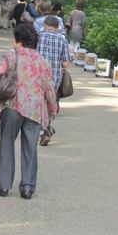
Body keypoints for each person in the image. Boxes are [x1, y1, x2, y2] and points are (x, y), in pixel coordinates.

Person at [0, 22, 57, 200]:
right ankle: (27, 187)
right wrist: (52, 109)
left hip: (12, 106)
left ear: (18, 40)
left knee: (6, 143)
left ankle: (4, 186)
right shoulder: (42, 61)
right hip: (34, 109)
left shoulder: (11, 57)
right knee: (30, 147)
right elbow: (49, 89)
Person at [36, 15, 70, 146]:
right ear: (57, 28)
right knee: (51, 102)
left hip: (38, 76)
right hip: (54, 78)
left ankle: (39, 128)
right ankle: (47, 129)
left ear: (45, 25)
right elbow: (66, 63)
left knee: (39, 102)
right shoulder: (62, 40)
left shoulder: (39, 37)